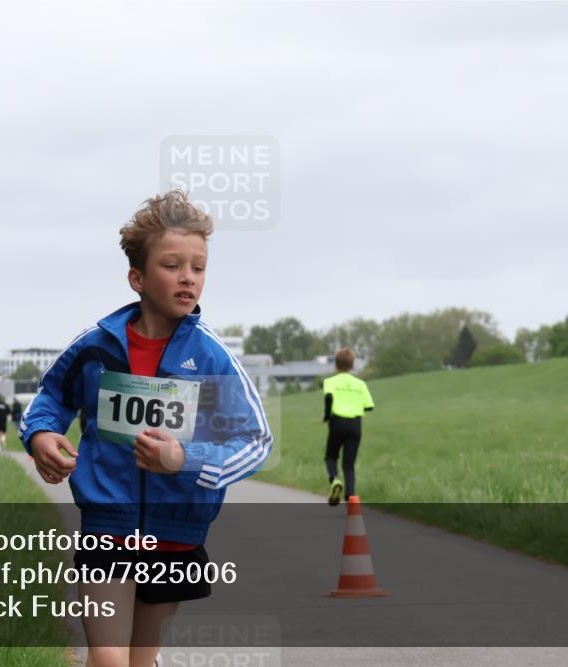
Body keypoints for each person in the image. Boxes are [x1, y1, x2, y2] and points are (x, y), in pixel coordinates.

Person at [19, 190, 272, 667]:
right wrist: (39, 436)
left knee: (139, 659)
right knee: (109, 658)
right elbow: (49, 397)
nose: (188, 277)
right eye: (173, 265)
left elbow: (255, 441)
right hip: (107, 526)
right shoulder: (97, 346)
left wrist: (186, 459)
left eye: (198, 267)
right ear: (137, 277)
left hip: (175, 532)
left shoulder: (213, 358)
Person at [322, 347, 375, 506]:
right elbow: (369, 406)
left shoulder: (330, 382)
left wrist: (326, 416)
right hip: (355, 424)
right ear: (352, 365)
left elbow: (329, 397)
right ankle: (351, 496)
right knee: (349, 464)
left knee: (331, 456)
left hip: (337, 422)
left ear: (336, 365)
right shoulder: (360, 384)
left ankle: (335, 480)